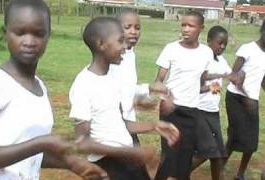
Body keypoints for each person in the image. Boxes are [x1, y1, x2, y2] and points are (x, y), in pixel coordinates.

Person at [0, 0, 109, 179]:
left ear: (48, 36)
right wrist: (40, 144)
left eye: (38, 34)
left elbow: (26, 152)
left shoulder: (40, 88)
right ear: (5, 34)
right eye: (20, 33)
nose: (29, 41)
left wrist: (71, 163)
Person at [69, 16, 180, 180]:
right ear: (101, 44)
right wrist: (130, 152)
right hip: (108, 165)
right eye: (120, 41)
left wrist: (154, 125)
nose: (124, 46)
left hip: (127, 159)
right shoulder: (83, 85)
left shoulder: (111, 79)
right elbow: (82, 143)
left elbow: (121, 123)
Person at [153, 11, 212, 180]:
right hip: (170, 110)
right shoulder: (171, 49)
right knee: (169, 156)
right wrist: (165, 98)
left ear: (201, 28)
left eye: (191, 26)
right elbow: (159, 80)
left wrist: (209, 89)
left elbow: (200, 81)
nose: (185, 29)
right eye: (183, 25)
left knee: (185, 157)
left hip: (192, 111)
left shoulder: (206, 53)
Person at [110, 9, 169, 147]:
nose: (133, 31)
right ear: (115, 29)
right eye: (128, 27)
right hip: (114, 125)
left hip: (128, 122)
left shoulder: (130, 54)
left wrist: (149, 89)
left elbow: (127, 87)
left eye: (137, 28)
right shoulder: (111, 58)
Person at [224, 19, 265, 180]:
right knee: (235, 137)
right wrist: (246, 96)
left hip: (252, 100)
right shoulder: (247, 49)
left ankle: (240, 174)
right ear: (263, 30)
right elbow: (233, 76)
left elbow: (263, 80)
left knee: (252, 142)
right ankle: (219, 169)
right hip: (236, 97)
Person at [189, 25, 231, 180]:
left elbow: (231, 74)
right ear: (208, 41)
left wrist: (238, 77)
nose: (222, 46)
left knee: (218, 154)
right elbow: (196, 87)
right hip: (199, 111)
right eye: (219, 43)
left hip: (213, 112)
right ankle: (179, 174)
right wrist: (212, 87)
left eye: (225, 44)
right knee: (208, 151)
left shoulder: (221, 60)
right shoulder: (202, 60)